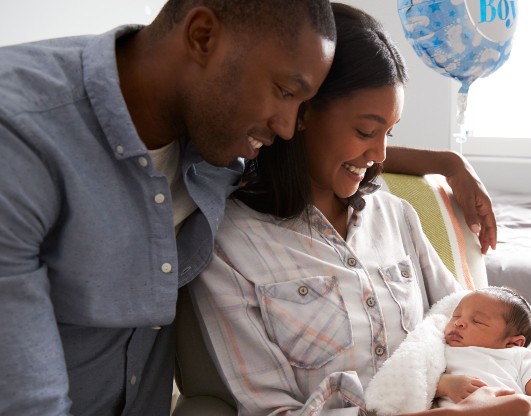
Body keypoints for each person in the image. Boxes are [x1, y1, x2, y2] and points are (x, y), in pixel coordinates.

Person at [0, 1, 498, 415]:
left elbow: (323, 145)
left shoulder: (218, 132)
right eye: (285, 92)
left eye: (299, 104)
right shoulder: (21, 141)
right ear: (201, 37)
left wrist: (446, 161)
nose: (286, 126)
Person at [188, 4, 531, 416]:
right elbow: (271, 411)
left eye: (390, 133)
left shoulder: (395, 216)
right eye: (366, 131)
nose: (379, 155)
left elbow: (463, 317)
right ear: (301, 113)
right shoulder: (231, 244)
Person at [437, 287, 531, 408]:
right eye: (456, 316)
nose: (458, 322)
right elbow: (420, 380)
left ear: (512, 343)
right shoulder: (440, 348)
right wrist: (445, 385)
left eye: (477, 321)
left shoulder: (517, 355)